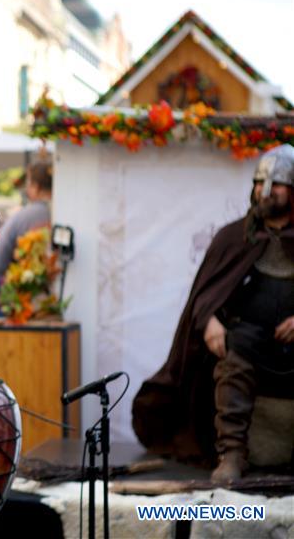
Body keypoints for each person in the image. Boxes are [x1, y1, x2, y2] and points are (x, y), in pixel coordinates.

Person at [133, 144, 294, 483]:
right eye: (259, 182)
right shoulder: (235, 236)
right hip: (249, 343)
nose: (265, 191)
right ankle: (232, 454)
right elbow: (206, 295)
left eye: (276, 184)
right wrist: (210, 321)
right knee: (233, 357)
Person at [0, 161, 52, 280]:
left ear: (36, 187)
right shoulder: (66, 211)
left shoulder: (23, 216)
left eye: (28, 183)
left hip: (32, 292)